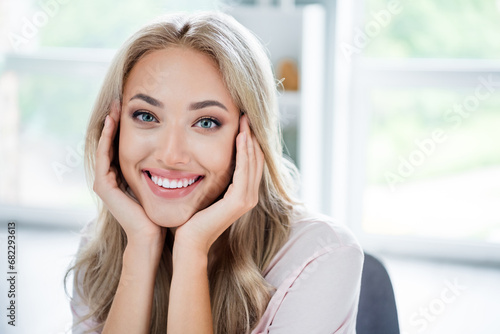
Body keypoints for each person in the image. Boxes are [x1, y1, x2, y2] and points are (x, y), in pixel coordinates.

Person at [67, 11, 363, 334]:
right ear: (113, 127)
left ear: (249, 138)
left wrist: (192, 252)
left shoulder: (321, 258)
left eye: (206, 122)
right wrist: (140, 249)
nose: (170, 155)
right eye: (146, 116)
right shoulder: (101, 248)